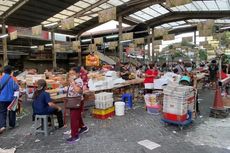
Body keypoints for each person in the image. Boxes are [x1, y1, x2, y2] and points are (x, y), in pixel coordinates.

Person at [66, 67, 88, 143]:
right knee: (77, 116)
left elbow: (78, 90)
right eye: (70, 74)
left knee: (74, 119)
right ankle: (83, 127)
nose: (71, 75)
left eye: (72, 74)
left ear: (78, 74)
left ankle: (75, 136)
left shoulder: (78, 81)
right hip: (74, 100)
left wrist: (72, 82)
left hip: (76, 101)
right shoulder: (74, 80)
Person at [0, 65, 19, 134]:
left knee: (2, 112)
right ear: (11, 71)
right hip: (11, 99)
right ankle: (12, 124)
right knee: (12, 111)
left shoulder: (0, 78)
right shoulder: (13, 79)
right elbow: (16, 88)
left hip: (1, 99)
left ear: (4, 71)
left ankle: (2, 126)